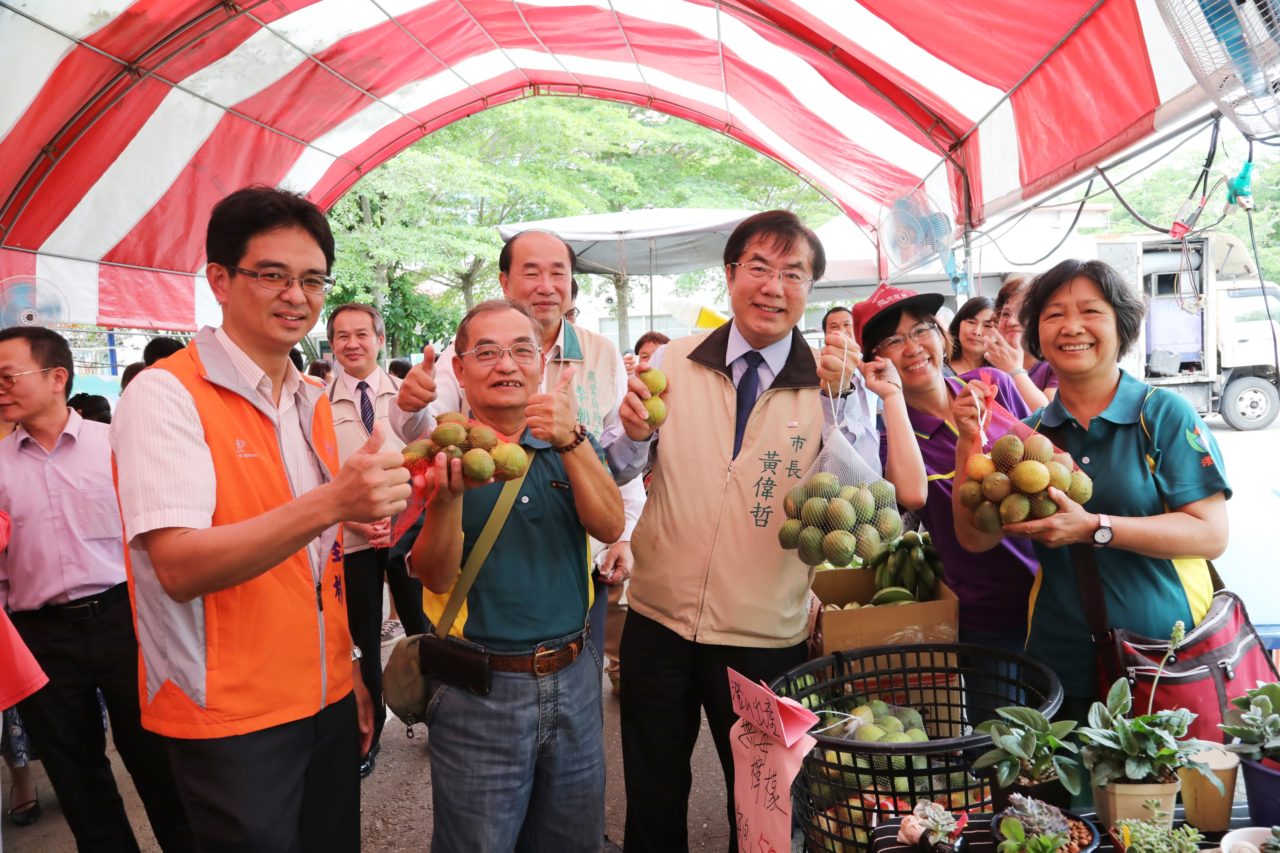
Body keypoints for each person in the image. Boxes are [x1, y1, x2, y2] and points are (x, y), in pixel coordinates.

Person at [603, 210, 927, 852]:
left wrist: (854, 403)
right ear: (730, 275)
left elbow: (860, 494)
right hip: (658, 622)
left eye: (793, 274)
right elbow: (617, 461)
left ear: (811, 290)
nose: (773, 286)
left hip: (764, 637)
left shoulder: (833, 384)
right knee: (652, 794)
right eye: (758, 267)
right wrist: (634, 432)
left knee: (763, 808)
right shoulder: (672, 360)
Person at [111, 186, 410, 851]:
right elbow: (180, 565)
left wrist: (353, 668)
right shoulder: (165, 396)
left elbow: (319, 567)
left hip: (326, 697)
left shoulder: (308, 399)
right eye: (272, 274)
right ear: (219, 278)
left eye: (311, 280)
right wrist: (335, 501)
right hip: (230, 716)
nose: (296, 296)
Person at [951, 259, 1230, 716]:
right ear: (1037, 335)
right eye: (1054, 314)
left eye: (1090, 311)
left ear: (1121, 325)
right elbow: (977, 537)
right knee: (1064, 788)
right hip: (1059, 662)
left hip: (1161, 661)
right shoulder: (1025, 438)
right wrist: (968, 441)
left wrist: (1095, 528)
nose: (1071, 326)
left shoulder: (1162, 415)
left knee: (1151, 789)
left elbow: (1210, 535)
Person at [408, 299, 624, 852]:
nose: (506, 365)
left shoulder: (571, 441)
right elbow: (432, 576)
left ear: (542, 362)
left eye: (521, 350)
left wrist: (571, 438)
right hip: (479, 689)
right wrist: (447, 499)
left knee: (573, 842)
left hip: (575, 680)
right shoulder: (440, 452)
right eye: (487, 352)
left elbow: (609, 521)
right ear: (459, 369)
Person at [393, 229, 645, 665]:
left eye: (558, 273)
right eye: (531, 272)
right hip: (479, 637)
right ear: (505, 281)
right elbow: (435, 432)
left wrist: (624, 533)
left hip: (574, 587)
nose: (546, 285)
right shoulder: (472, 341)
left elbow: (610, 457)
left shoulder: (600, 354)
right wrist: (411, 408)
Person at [0, 326, 195, 852]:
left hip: (123, 620)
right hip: (40, 637)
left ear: (57, 376)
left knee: (157, 758)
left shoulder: (113, 446)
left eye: (8, 375)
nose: (0, 387)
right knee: (76, 773)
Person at [324, 301, 431, 777]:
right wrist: (353, 521)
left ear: (380, 339)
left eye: (361, 334)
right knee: (362, 638)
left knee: (423, 629)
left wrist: (402, 515)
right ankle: (368, 735)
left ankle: (439, 716)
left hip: (407, 533)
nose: (352, 343)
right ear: (331, 345)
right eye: (342, 336)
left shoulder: (409, 396)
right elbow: (317, 479)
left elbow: (428, 462)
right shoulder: (315, 403)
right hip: (353, 541)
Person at [984, 274, 1055, 409]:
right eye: (1005, 314)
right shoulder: (989, 363)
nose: (1011, 322)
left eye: (1023, 313)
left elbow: (1047, 416)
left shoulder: (1055, 364)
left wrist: (1015, 371)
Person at [943, 296, 996, 378]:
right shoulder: (939, 371)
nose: (977, 332)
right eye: (971, 322)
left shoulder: (1004, 374)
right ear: (958, 325)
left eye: (987, 325)